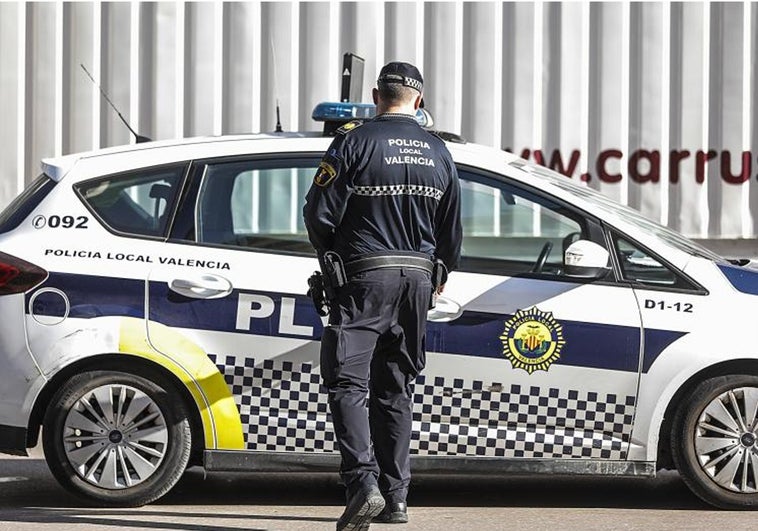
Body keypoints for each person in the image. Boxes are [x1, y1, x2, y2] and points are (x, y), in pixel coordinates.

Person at [303, 61, 462, 530]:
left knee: (348, 383)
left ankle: (362, 485)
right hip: (417, 283)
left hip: (364, 279)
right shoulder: (439, 153)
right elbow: (451, 234)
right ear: (419, 100)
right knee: (396, 388)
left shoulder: (354, 141)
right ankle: (396, 499)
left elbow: (318, 213)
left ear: (376, 95)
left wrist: (330, 259)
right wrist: (438, 274)